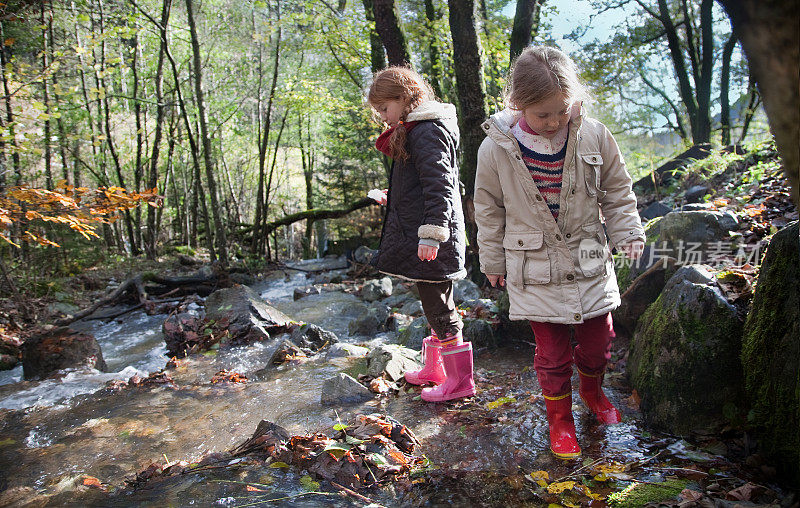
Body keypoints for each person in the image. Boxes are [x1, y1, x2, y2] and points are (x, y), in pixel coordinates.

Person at [474, 46, 645, 458]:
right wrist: (493, 261)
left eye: (561, 111)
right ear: (518, 105)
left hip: (587, 254)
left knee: (599, 341)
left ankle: (593, 392)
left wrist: (627, 232)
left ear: (574, 101)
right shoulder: (496, 149)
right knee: (551, 353)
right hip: (533, 264)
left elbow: (618, 191)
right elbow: (488, 209)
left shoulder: (595, 134)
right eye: (542, 115)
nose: (553, 123)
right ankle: (560, 420)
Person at [367, 66, 475, 402]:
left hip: (433, 237)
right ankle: (435, 369)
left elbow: (440, 184)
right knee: (432, 301)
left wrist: (431, 234)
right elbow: (420, 182)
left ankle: (460, 382)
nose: (383, 117)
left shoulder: (426, 130)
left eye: (385, 108)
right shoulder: (416, 129)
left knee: (439, 304)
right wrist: (393, 196)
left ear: (404, 97)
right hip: (427, 232)